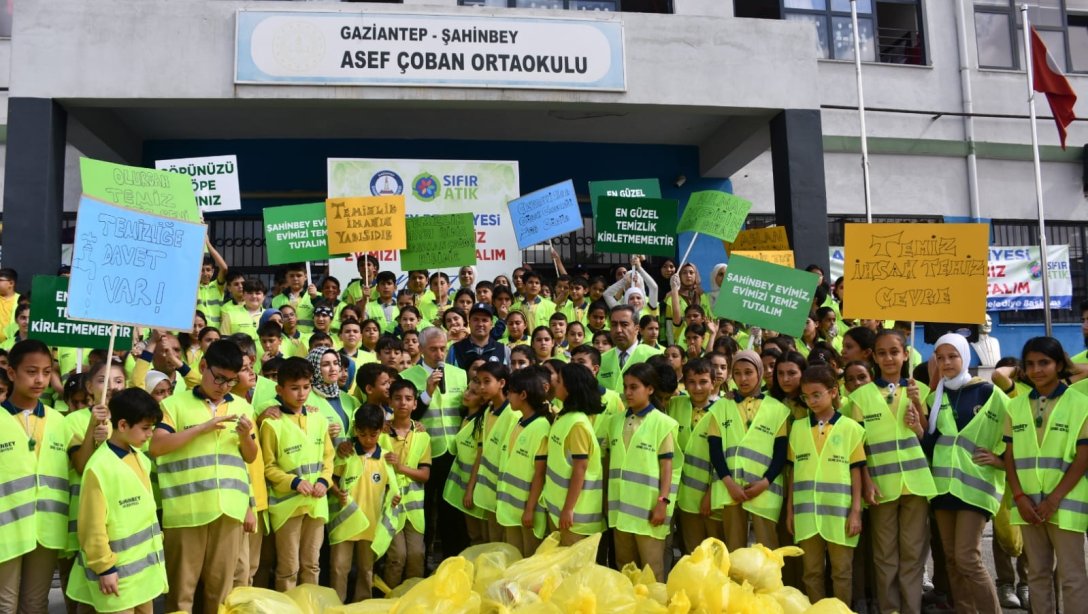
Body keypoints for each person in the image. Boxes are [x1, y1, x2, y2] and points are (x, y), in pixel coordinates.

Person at [151, 340, 258, 613]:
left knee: (220, 594)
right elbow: (157, 446)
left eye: (231, 381)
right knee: (181, 594)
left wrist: (246, 437)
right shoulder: (174, 404)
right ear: (202, 367)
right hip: (186, 512)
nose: (223, 386)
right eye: (218, 377)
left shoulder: (243, 407)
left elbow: (250, 457)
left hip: (229, 512)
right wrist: (202, 428)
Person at [845, 330, 933, 614]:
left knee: (913, 554)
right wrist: (867, 481)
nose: (889, 358)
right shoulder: (859, 399)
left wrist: (918, 407)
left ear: (905, 354)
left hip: (916, 484)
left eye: (894, 352)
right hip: (881, 486)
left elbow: (927, 438)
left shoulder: (920, 390)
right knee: (885, 556)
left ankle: (912, 608)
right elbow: (856, 450)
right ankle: (890, 609)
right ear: (874, 357)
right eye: (882, 353)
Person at [1003, 336, 1088, 614]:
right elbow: (1010, 457)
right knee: (1037, 575)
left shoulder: (1081, 403)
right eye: (1030, 364)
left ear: (1060, 364)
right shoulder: (1014, 407)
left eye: (1044, 363)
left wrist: (1054, 500)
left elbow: (1083, 457)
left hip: (1066, 503)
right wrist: (1019, 496)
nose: (1037, 370)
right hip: (1027, 505)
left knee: (1072, 576)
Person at [922, 332, 1006, 613]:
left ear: (965, 357)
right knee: (951, 559)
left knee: (968, 558)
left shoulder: (988, 392)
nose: (946, 362)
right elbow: (932, 444)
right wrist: (918, 427)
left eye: (953, 356)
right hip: (943, 488)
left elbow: (1019, 428)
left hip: (976, 487)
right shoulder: (935, 396)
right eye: (940, 357)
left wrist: (1001, 459)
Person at [66, 388, 166, 614]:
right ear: (122, 425)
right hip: (115, 577)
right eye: (145, 428)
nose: (150, 434)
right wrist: (104, 567)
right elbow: (92, 527)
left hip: (142, 574)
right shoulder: (98, 467)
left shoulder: (140, 457)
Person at [0, 340, 69, 613]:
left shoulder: (59, 421)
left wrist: (94, 436)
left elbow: (78, 466)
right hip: (6, 531)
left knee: (35, 604)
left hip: (45, 530)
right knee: (5, 606)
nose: (40, 379)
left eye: (46, 371)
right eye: (31, 371)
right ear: (12, 373)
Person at [787, 365, 865, 604]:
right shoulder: (798, 428)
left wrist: (856, 512)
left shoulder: (851, 428)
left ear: (833, 392)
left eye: (816, 394)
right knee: (811, 573)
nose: (811, 401)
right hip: (806, 514)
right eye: (806, 396)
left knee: (841, 572)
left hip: (839, 515)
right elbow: (792, 473)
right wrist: (790, 511)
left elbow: (856, 472)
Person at [259, 357, 333, 591]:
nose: (301, 394)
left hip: (316, 503)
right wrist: (294, 482)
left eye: (306, 386)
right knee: (288, 568)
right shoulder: (271, 424)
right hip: (287, 507)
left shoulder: (319, 418)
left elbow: (328, 458)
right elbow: (268, 466)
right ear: (279, 390)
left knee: (312, 565)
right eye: (294, 388)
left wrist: (324, 481)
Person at [707, 350, 790, 551]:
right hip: (730, 489)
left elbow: (781, 453)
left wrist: (765, 482)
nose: (743, 378)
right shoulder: (721, 407)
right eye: (737, 373)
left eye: (748, 372)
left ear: (759, 373)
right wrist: (729, 483)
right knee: (734, 551)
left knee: (767, 551)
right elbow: (715, 450)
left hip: (765, 489)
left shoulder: (777, 409)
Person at [608, 362, 682, 582]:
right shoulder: (615, 422)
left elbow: (667, 467)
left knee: (652, 572)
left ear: (650, 389)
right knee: (626, 570)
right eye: (626, 387)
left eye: (634, 387)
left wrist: (663, 502)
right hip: (620, 511)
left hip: (650, 512)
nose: (628, 392)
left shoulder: (663, 423)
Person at [400, 326, 467, 561]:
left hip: (455, 452)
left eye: (443, 349)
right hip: (425, 454)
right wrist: (426, 392)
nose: (439, 354)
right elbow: (407, 415)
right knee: (426, 509)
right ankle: (424, 559)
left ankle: (454, 559)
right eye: (433, 349)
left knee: (453, 510)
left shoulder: (460, 374)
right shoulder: (408, 377)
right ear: (420, 349)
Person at [328, 404, 398, 603]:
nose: (367, 439)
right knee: (339, 567)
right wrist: (337, 492)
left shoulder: (385, 457)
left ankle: (363, 604)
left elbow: (392, 487)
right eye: (362, 434)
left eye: (373, 435)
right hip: (345, 522)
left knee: (366, 570)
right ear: (355, 429)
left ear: (381, 430)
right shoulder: (346, 453)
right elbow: (330, 478)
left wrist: (394, 497)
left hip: (370, 522)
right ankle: (336, 605)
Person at [545, 363, 606, 546]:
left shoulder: (578, 424)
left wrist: (568, 508)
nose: (555, 383)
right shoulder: (564, 416)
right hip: (560, 509)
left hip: (575, 517)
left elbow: (580, 468)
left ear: (570, 388)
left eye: (560, 380)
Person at [380, 379, 431, 588]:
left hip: (414, 508)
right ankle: (389, 601)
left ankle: (413, 600)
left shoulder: (422, 435)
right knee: (396, 557)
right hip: (389, 506)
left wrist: (401, 468)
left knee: (417, 555)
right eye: (398, 398)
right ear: (390, 402)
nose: (403, 403)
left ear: (415, 404)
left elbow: (425, 475)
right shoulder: (380, 434)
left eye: (408, 399)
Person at [670, 358, 725, 552]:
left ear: (714, 383)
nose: (697, 388)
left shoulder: (723, 411)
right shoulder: (675, 405)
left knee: (713, 553)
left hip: (711, 499)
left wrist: (711, 494)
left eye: (703, 382)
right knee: (692, 552)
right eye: (691, 382)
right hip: (683, 498)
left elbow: (724, 459)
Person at [496, 368, 551, 556]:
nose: (507, 396)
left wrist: (529, 509)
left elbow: (540, 474)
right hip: (511, 509)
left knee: (529, 562)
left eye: (510, 391)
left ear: (523, 394)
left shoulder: (541, 427)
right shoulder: (519, 421)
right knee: (514, 559)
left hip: (528, 512)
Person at [470, 362, 516, 543]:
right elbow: (482, 451)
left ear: (502, 383)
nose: (481, 387)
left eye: (486, 381)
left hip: (505, 495)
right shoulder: (488, 411)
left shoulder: (513, 414)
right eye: (478, 381)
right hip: (488, 493)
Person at [442, 380, 488, 548]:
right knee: (471, 534)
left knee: (479, 536)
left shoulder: (482, 422)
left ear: (482, 400)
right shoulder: (464, 417)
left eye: (473, 393)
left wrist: (470, 489)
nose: (467, 394)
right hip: (463, 483)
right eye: (467, 389)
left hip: (476, 486)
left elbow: (479, 458)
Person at [598, 305, 664, 394]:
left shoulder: (655, 356)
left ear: (637, 329)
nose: (618, 330)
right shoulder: (601, 360)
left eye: (624, 325)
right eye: (614, 325)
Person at [450, 303, 509, 369]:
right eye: (476, 319)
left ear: (491, 324)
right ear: (469, 322)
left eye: (484, 320)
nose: (480, 324)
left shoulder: (503, 350)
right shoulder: (455, 349)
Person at [197, 242, 230, 328]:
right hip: (198, 331)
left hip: (215, 331)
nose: (205, 273)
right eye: (202, 270)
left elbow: (224, 268)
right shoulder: (193, 287)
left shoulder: (217, 286)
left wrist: (207, 243)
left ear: (213, 271)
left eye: (208, 270)